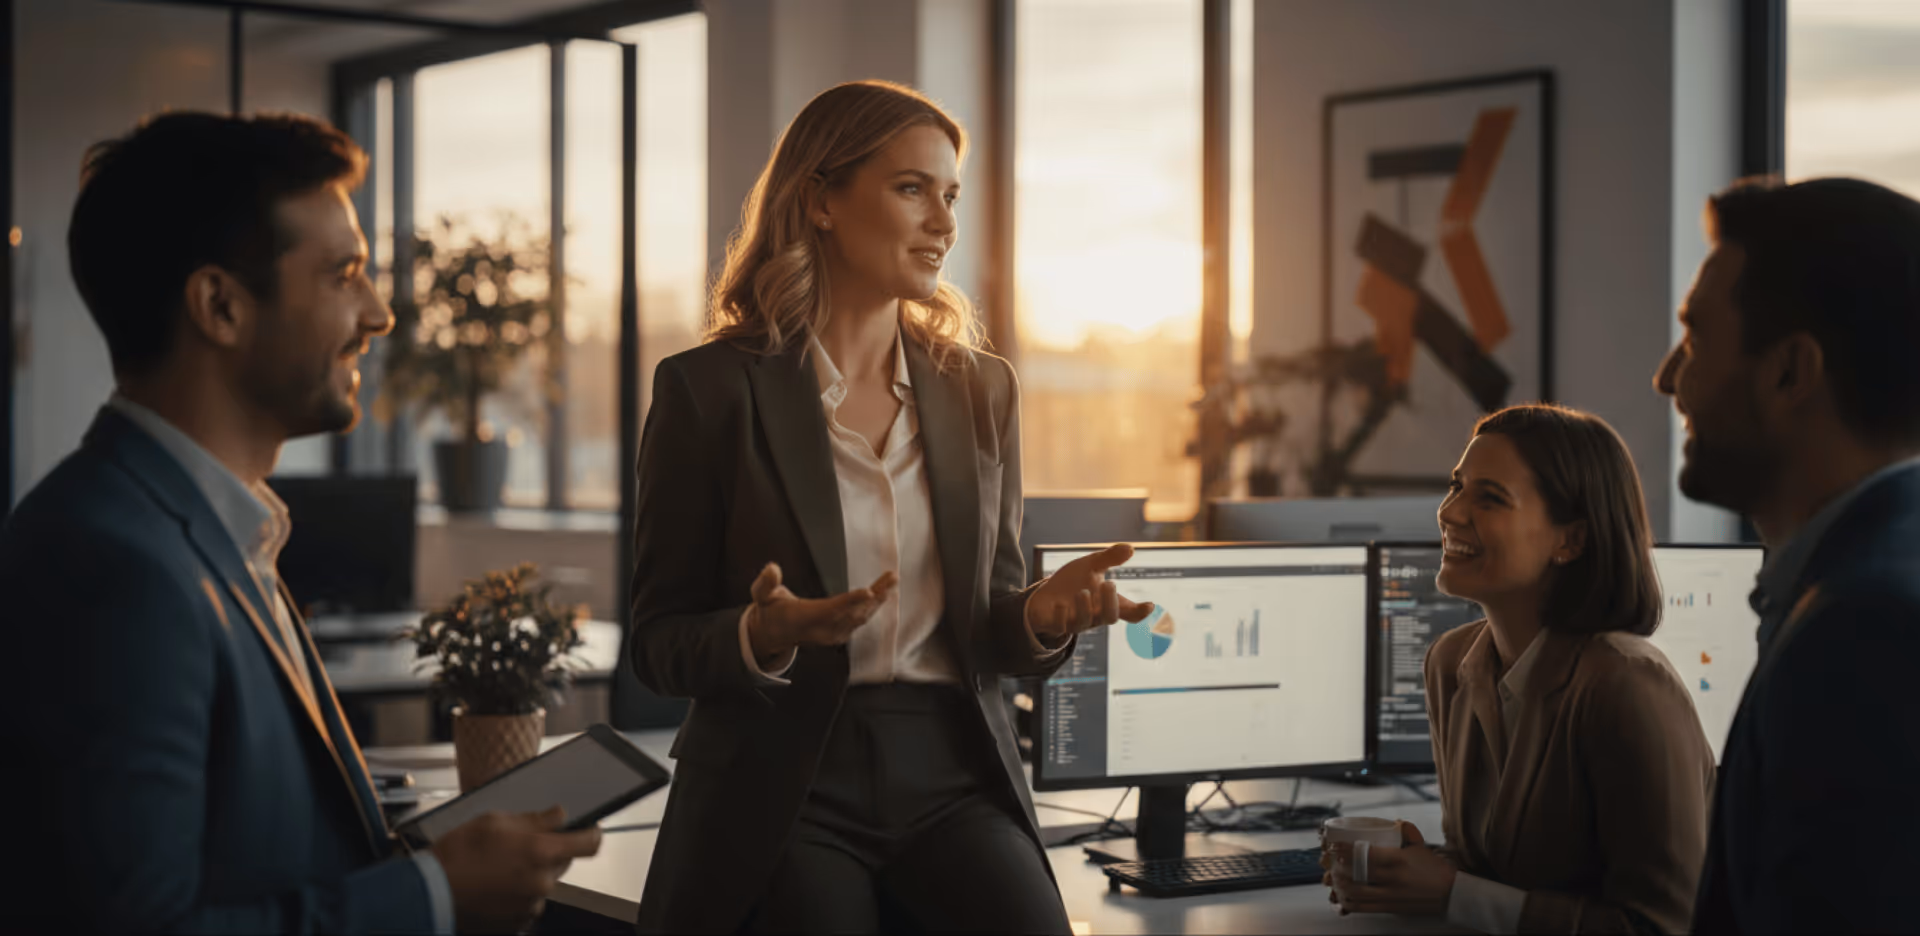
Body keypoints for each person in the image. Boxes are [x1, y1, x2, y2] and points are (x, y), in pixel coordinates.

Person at [0, 112, 601, 934]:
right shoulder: (110, 562)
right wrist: (432, 898)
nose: (380, 314)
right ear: (219, 305)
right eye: (343, 273)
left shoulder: (221, 531)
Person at [627, 80, 1155, 934]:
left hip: (953, 770)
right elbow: (655, 643)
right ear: (822, 201)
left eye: (949, 196)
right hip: (784, 776)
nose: (944, 223)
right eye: (912, 190)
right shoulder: (708, 390)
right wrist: (762, 635)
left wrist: (1043, 619)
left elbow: (992, 620)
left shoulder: (981, 389)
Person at [1324, 404, 1715, 934]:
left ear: (1570, 540)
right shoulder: (1452, 664)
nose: (1450, 512)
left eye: (1489, 498)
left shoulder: (1625, 684)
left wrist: (1451, 893)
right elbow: (1496, 869)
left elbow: (1662, 926)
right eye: (1456, 486)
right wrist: (1422, 871)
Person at [1657, 177, 1920, 934]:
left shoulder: (1865, 634)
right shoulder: (1867, 582)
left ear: (1788, 373)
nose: (1668, 377)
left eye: (1696, 338)